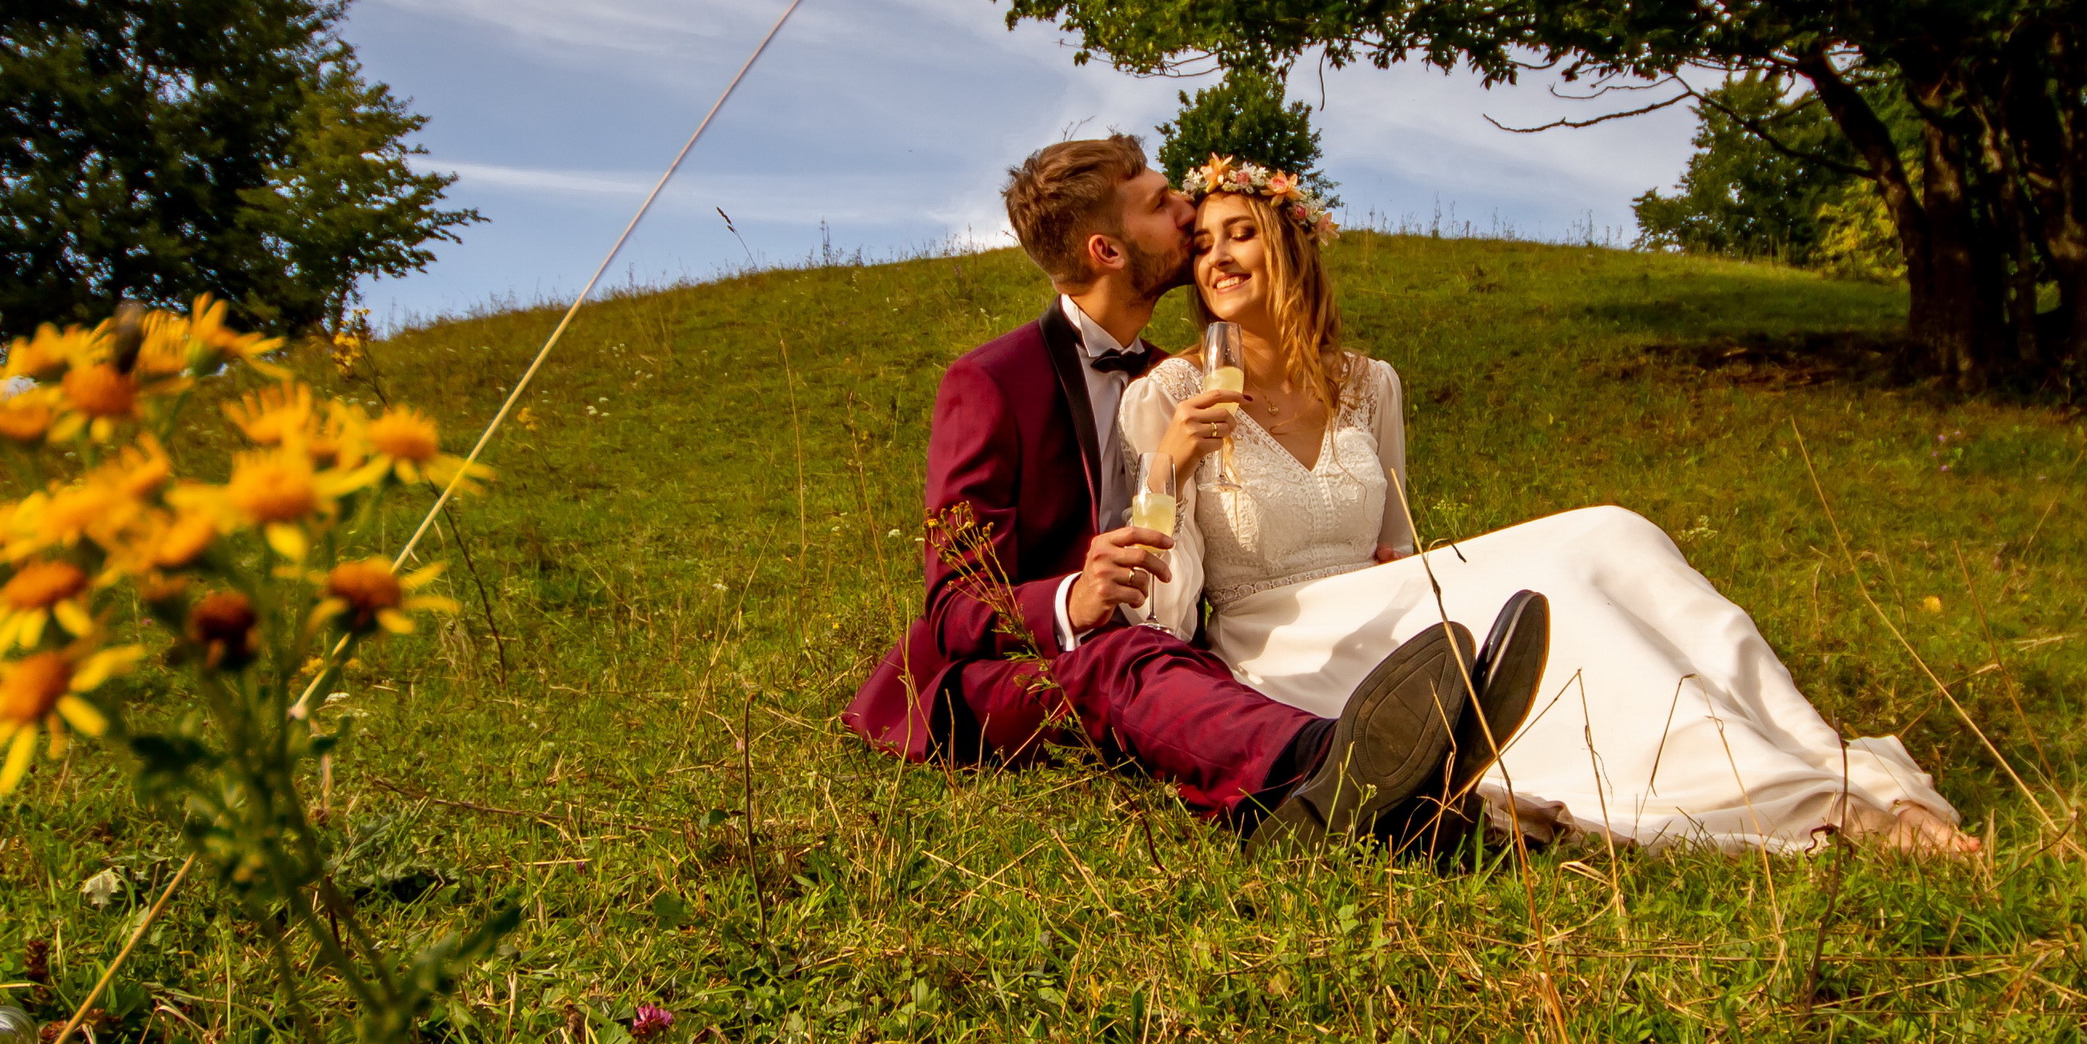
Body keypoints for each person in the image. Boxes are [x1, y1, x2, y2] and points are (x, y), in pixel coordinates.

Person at [1119, 156, 1980, 854]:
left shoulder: (1368, 384)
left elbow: (1396, 543)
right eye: (1204, 244)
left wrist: (1435, 584)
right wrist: (1168, 465)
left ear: (1292, 246)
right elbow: (1161, 609)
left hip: (1388, 594)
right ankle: (1803, 803)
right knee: (1566, 613)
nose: (1217, 257)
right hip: (1281, 633)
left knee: (1611, 533)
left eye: (1242, 233)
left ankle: (1815, 758)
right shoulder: (1170, 393)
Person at [844, 134, 1543, 845]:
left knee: (1175, 662)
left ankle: (1416, 799)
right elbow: (952, 601)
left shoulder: (1173, 379)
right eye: (1160, 204)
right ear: (1107, 250)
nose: (1185, 207)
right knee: (1126, 660)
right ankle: (1329, 762)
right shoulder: (992, 381)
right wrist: (1073, 599)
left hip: (1172, 652)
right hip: (1017, 672)